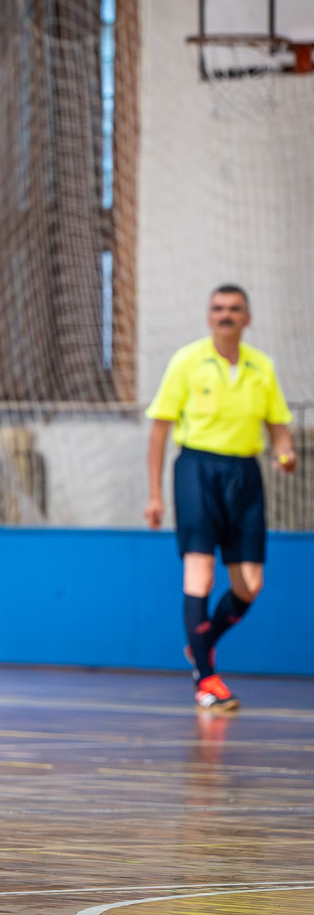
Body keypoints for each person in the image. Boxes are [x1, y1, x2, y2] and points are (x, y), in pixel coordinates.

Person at [143, 284, 297, 711]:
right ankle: (206, 681)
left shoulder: (261, 367)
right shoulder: (187, 362)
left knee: (250, 585)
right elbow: (159, 431)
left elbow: (279, 429)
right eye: (218, 308)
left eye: (234, 308)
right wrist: (154, 495)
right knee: (201, 572)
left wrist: (286, 454)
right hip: (197, 468)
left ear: (247, 317)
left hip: (244, 473)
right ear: (208, 316)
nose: (225, 315)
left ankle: (201, 643)